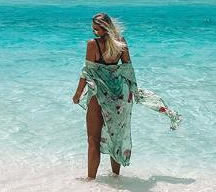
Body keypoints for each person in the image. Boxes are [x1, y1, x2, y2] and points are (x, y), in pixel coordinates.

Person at [72, 12, 181, 180]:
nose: (94, 32)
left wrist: (78, 94)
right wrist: (134, 91)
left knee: (93, 139)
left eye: (96, 29)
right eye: (93, 29)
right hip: (119, 95)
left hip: (98, 94)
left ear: (105, 28)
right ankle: (116, 178)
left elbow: (87, 72)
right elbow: (128, 69)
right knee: (116, 136)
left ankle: (90, 180)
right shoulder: (120, 43)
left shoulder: (92, 45)